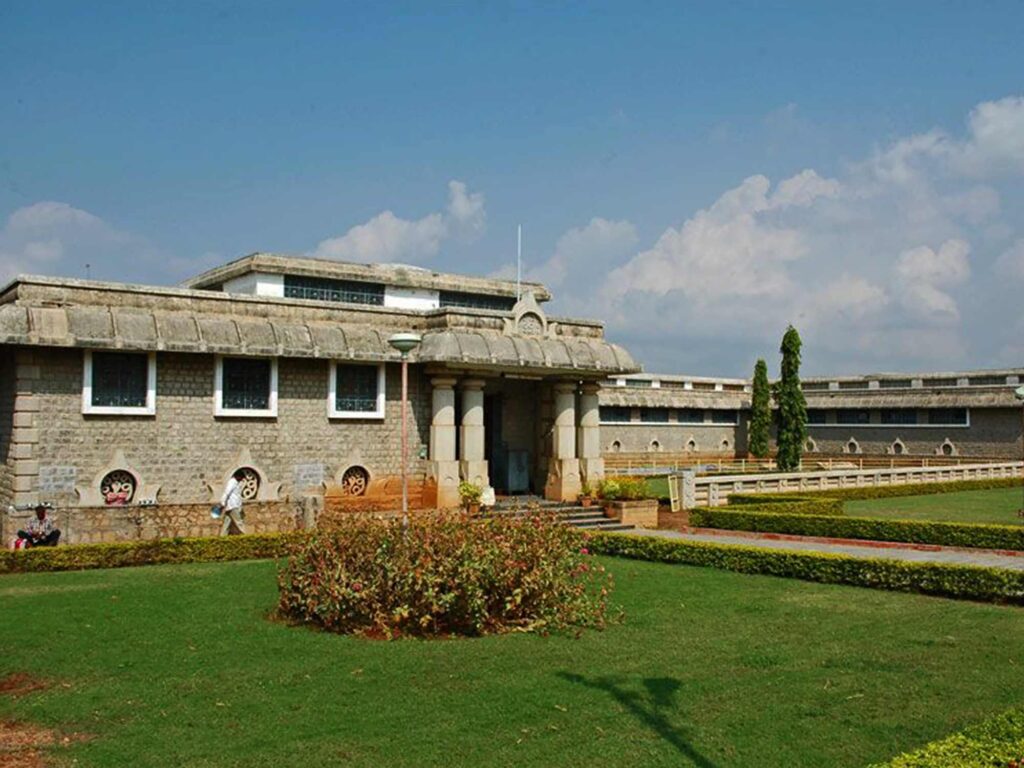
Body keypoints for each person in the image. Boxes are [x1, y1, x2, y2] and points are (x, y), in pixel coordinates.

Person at [219, 469, 247, 536]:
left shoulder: (235, 483)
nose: (241, 480)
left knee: (226, 524)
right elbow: (227, 492)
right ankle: (247, 537)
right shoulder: (232, 482)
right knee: (239, 522)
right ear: (238, 476)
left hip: (231, 507)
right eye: (241, 478)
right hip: (233, 506)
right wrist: (222, 503)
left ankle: (222, 537)